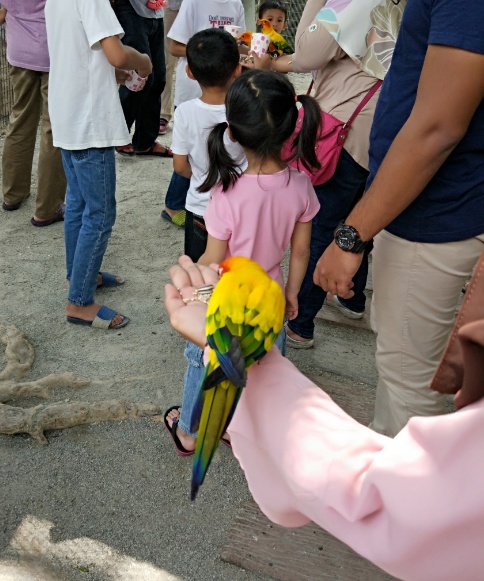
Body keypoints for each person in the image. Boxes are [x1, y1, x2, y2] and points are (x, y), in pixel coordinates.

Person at [163, 255, 484, 581]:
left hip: (229, 353)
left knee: (216, 403)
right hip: (246, 354)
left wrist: (225, 357)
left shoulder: (228, 289)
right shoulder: (269, 292)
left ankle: (195, 434)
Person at [313, 0, 484, 436]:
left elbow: (436, 128)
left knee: (410, 390)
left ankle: (406, 499)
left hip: (437, 218)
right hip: (444, 211)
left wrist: (351, 237)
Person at [164, 69, 321, 455]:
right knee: (265, 368)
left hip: (228, 299)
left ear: (231, 132)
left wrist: (195, 294)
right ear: (290, 128)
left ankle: (188, 430)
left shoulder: (226, 192)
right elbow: (300, 251)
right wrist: (291, 293)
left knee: (203, 362)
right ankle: (245, 430)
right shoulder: (301, 186)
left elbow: (213, 259)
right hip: (270, 297)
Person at [251, 0, 403, 349]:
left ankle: (300, 323)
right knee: (359, 218)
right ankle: (351, 299)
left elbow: (306, 53)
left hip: (344, 136)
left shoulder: (358, 3)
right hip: (379, 134)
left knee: (322, 228)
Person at [45, 0, 152, 329]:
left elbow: (84, 52)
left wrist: (111, 72)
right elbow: (118, 54)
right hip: (90, 123)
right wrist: (143, 61)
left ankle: (80, 277)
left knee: (77, 203)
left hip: (68, 113)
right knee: (101, 212)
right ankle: (79, 302)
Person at [161, 0, 246, 227]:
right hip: (193, 92)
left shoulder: (236, 4)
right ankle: (172, 204)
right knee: (192, 150)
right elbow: (174, 46)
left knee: (207, 151)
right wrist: (211, 57)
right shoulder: (194, 2)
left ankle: (190, 196)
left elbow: (238, 45)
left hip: (223, 90)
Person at [0, 0, 66, 227]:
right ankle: (48, 208)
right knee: (53, 128)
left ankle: (13, 195)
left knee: (20, 119)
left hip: (19, 49)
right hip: (56, 50)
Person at [171, 28, 245, 263]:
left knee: (199, 277)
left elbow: (180, 166)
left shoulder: (184, 112)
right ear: (237, 69)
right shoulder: (245, 109)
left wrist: (205, 175)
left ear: (190, 72)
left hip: (200, 206)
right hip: (241, 207)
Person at [111, 0, 171, 158]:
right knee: (138, 76)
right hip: (129, 7)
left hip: (156, 10)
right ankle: (119, 133)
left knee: (158, 78)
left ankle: (145, 142)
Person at [158, 0, 182, 136]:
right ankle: (163, 113)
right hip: (169, 6)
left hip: (200, 6)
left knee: (200, 54)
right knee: (167, 61)